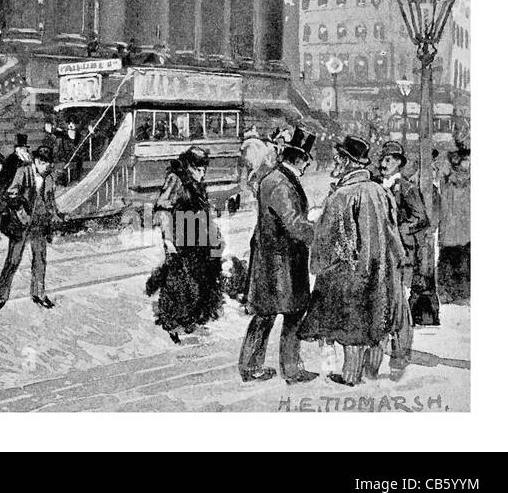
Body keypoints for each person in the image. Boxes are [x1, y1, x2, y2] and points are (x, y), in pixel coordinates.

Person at [299, 136, 407, 386]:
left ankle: (350, 376)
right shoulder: (381, 191)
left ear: (348, 162)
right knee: (376, 321)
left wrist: (318, 264)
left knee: (352, 325)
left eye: (339, 157)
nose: (335, 161)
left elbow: (329, 239)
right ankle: (370, 372)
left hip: (352, 270)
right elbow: (393, 233)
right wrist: (397, 261)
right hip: (381, 268)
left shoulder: (342, 195)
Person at [239, 130, 318, 383]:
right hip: (281, 263)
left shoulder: (275, 177)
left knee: (266, 314)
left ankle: (251, 366)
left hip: (273, 260)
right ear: (300, 159)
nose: (308, 164)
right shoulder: (281, 183)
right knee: (291, 314)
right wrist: (319, 230)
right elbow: (294, 224)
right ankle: (290, 370)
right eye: (306, 159)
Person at [146, 146, 224, 342]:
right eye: (198, 169)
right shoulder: (177, 179)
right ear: (189, 165)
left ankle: (191, 320)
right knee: (181, 281)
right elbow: (163, 209)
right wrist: (168, 240)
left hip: (197, 238)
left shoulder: (197, 183)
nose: (202, 172)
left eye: (204, 168)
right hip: (181, 238)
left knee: (199, 278)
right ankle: (173, 323)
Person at [379, 139, 428, 376]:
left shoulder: (407, 188)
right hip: (383, 254)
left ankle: (400, 354)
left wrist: (399, 230)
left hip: (404, 254)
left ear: (398, 163)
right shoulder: (378, 186)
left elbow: (421, 218)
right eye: (382, 159)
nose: (382, 163)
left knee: (401, 306)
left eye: (387, 160)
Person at [0, 143, 60, 310]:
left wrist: (53, 216)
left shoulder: (50, 178)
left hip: (39, 223)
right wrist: (22, 215)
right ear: (36, 161)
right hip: (21, 224)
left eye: (49, 164)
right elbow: (11, 193)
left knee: (40, 259)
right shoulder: (23, 171)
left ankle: (39, 293)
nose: (46, 167)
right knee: (13, 260)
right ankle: (1, 294)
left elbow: (50, 200)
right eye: (43, 163)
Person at [437, 142, 471, 304]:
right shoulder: (448, 176)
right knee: (452, 259)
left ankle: (459, 293)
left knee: (460, 259)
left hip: (461, 228)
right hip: (453, 228)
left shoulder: (464, 178)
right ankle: (450, 293)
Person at [0, 134, 32, 238]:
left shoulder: (27, 158)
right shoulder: (12, 158)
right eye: (22, 147)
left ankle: (20, 228)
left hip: (20, 186)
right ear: (18, 148)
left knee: (19, 207)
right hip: (6, 185)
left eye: (25, 147)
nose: (24, 149)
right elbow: (5, 173)